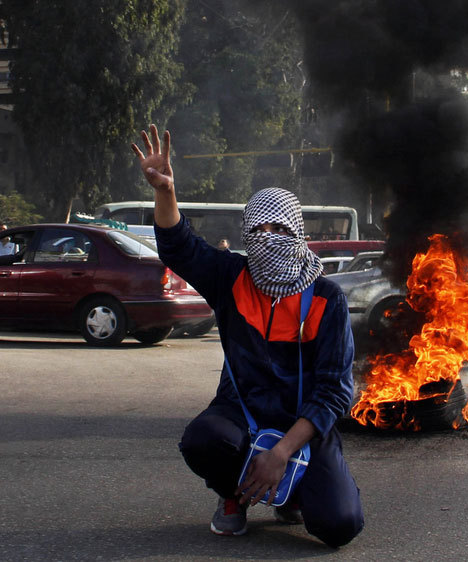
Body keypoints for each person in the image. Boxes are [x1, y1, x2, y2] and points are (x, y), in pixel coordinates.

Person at [131, 125, 363, 547]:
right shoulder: (231, 276)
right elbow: (179, 246)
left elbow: (334, 391)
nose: (267, 238)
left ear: (298, 235)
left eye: (279, 230)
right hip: (242, 410)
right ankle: (233, 496)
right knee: (203, 440)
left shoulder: (327, 298)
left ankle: (290, 490)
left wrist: (281, 453)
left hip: (303, 423)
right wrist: (165, 191)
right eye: (257, 231)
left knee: (340, 524)